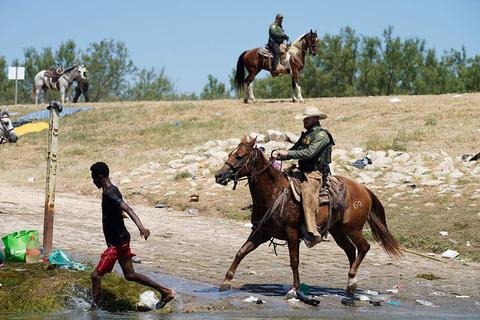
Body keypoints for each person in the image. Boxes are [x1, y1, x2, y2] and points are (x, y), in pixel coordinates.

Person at [90, 162, 175, 310]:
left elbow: (127, 208)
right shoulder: (112, 190)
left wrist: (141, 227)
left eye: (93, 178)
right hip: (122, 239)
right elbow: (119, 211)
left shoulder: (110, 192)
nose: (93, 181)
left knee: (96, 276)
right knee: (130, 275)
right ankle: (166, 292)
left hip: (116, 244)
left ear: (99, 176)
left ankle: (94, 310)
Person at [274, 106, 334, 248]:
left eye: (306, 119)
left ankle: (312, 232)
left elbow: (309, 153)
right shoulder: (306, 135)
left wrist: (287, 154)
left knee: (307, 192)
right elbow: (294, 150)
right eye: (304, 119)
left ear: (315, 119)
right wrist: (280, 155)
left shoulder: (322, 136)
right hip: (302, 170)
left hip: (315, 174)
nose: (304, 121)